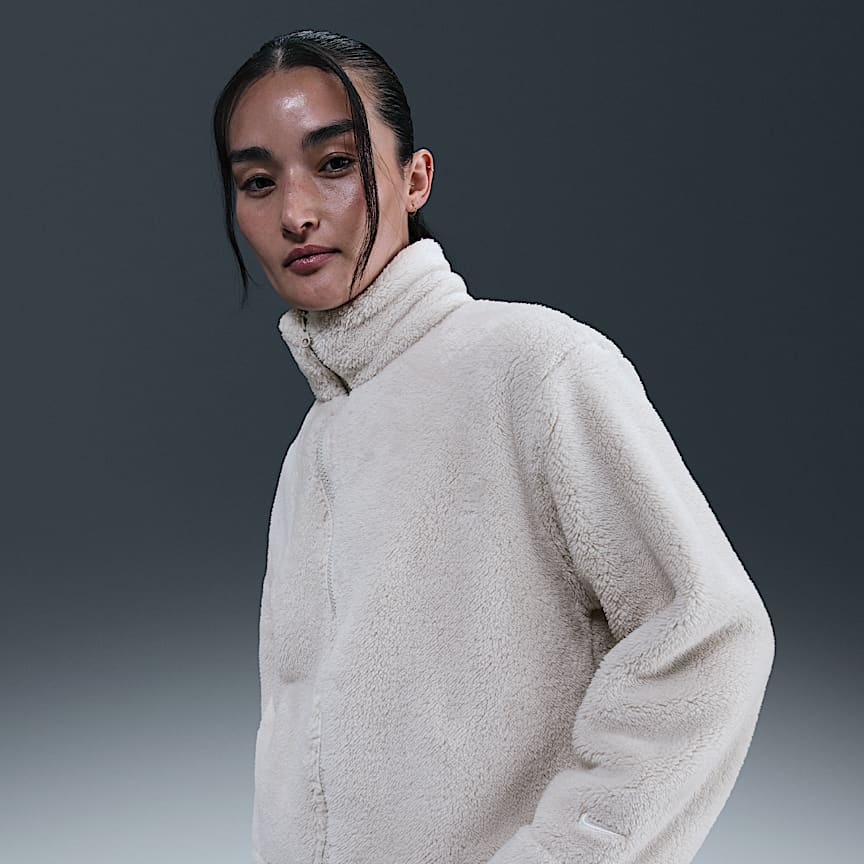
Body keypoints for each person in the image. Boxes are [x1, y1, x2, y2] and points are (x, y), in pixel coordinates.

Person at [211, 29, 775, 864]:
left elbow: (709, 637)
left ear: (415, 177)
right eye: (258, 182)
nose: (295, 212)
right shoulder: (312, 450)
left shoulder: (535, 367)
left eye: (334, 163)